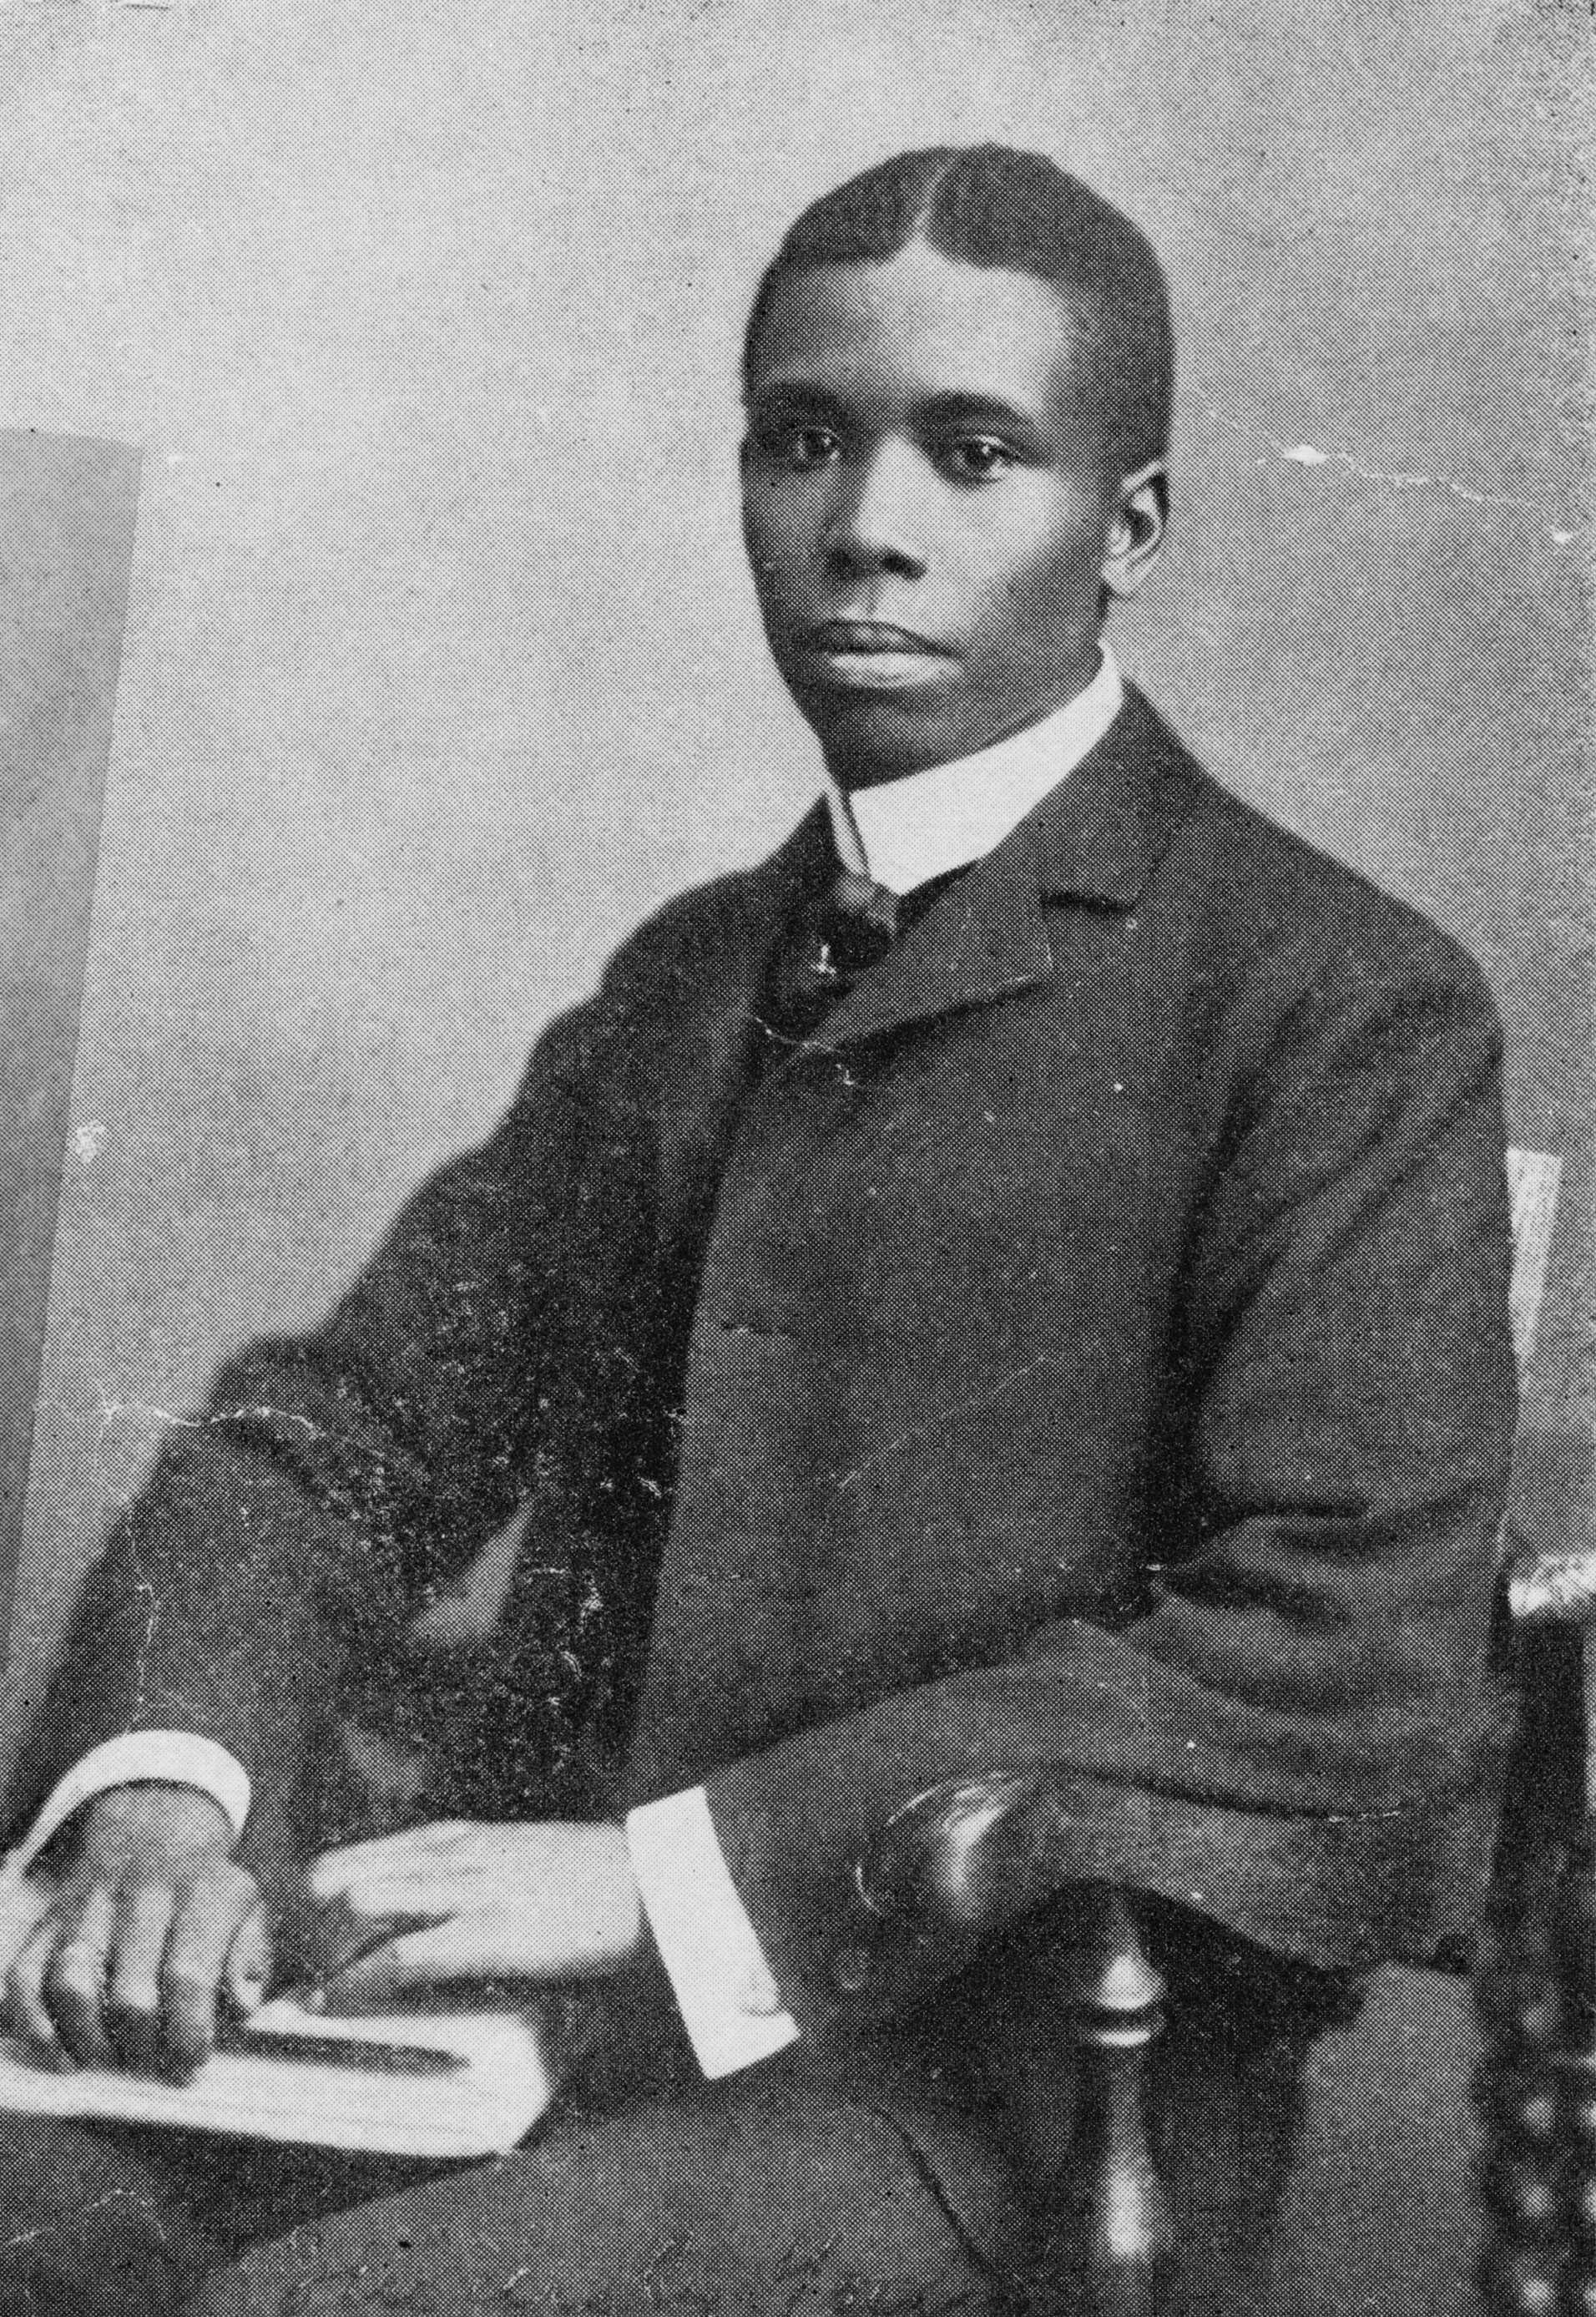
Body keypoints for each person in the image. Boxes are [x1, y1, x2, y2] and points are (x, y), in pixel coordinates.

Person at [0, 144, 1517, 2316]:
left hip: (998, 2101)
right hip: (498, 2046)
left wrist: (665, 1883)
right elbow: (321, 1443)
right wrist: (168, 1795)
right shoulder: (690, 984)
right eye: (805, 440)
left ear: (1137, 524)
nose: (867, 526)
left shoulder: (1339, 1009)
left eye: (972, 451)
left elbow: (1335, 1657)